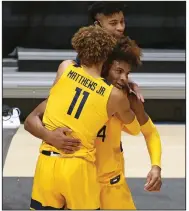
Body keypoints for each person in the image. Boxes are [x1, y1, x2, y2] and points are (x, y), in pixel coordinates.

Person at [28, 25, 141, 210]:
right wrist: (131, 96)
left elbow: (40, 113)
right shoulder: (113, 95)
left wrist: (49, 135)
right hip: (78, 166)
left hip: (46, 162)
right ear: (106, 57)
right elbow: (135, 128)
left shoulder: (65, 68)